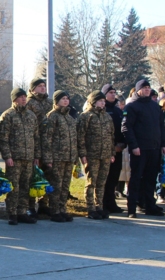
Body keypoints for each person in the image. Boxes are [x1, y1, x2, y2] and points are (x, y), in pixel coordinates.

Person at [122, 79, 165, 218]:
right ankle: (132, 208)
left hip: (154, 148)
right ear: (138, 90)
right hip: (139, 149)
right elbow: (126, 127)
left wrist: (164, 144)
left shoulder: (155, 106)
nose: (147, 90)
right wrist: (134, 145)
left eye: (149, 87)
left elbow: (161, 127)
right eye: (144, 88)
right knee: (136, 179)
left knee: (150, 179)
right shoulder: (132, 106)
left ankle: (150, 205)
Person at [0, 88, 39, 225]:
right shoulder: (8, 115)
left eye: (24, 97)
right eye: (20, 97)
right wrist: (7, 156)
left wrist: (36, 156)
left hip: (28, 158)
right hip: (14, 158)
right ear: (14, 99)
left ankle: (22, 212)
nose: (23, 99)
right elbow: (3, 138)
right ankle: (12, 213)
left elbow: (36, 137)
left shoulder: (31, 116)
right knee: (13, 187)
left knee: (25, 186)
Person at [76, 91, 115, 219]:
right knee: (91, 182)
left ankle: (99, 206)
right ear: (93, 102)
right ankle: (90, 208)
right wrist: (82, 154)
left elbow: (111, 136)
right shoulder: (86, 116)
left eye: (104, 101)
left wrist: (112, 153)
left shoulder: (107, 117)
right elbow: (80, 136)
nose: (103, 103)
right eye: (100, 101)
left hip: (105, 154)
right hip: (91, 154)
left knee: (101, 182)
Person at [40, 91, 77, 223]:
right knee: (56, 184)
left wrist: (75, 156)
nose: (66, 101)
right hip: (56, 158)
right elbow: (46, 139)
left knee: (65, 186)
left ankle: (62, 209)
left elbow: (73, 139)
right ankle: (54, 210)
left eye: (67, 98)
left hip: (69, 157)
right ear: (56, 101)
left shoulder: (70, 118)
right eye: (63, 99)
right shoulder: (52, 117)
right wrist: (48, 158)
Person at [24, 78, 53, 217]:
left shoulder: (49, 103)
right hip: (34, 143)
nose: (43, 88)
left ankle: (44, 204)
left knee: (46, 175)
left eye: (44, 86)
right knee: (33, 176)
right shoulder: (29, 103)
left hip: (48, 144)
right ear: (33, 88)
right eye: (39, 86)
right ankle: (30, 206)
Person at [101, 85, 125, 214]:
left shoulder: (118, 110)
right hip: (107, 149)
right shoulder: (102, 110)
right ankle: (103, 202)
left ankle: (111, 202)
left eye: (114, 92)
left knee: (114, 178)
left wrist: (123, 144)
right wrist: (112, 146)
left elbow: (123, 129)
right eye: (110, 92)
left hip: (119, 149)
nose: (113, 95)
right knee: (105, 177)